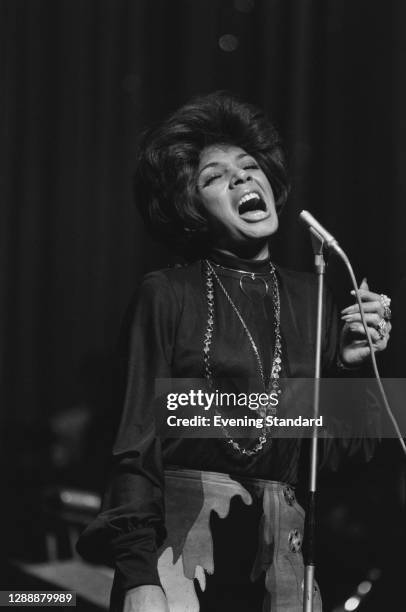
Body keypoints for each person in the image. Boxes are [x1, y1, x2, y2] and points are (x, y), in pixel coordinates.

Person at [77, 92, 391, 612]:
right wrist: (137, 574)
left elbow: (342, 455)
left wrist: (354, 369)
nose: (243, 179)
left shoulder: (311, 298)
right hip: (180, 550)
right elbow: (134, 443)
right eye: (214, 177)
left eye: (250, 167)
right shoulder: (165, 293)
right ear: (191, 205)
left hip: (285, 554)